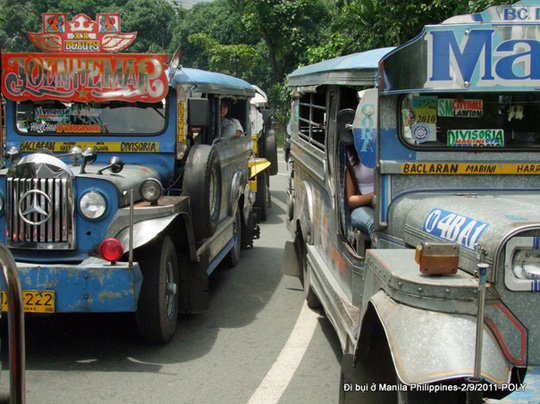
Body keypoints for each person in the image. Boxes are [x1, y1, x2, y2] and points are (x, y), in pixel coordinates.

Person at [344, 145, 375, 238]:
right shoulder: (351, 159)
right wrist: (375, 195)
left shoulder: (386, 152)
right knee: (374, 224)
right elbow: (351, 200)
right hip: (362, 207)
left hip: (387, 204)